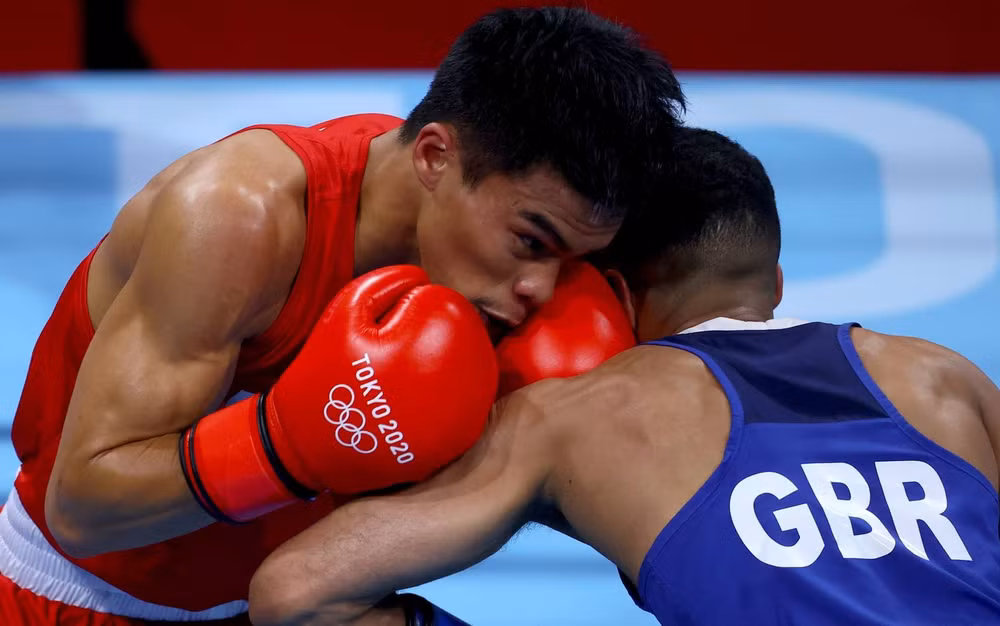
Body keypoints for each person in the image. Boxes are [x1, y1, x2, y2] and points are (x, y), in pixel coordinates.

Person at [0, 7, 685, 625]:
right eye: (532, 241)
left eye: (570, 260)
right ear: (435, 158)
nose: (540, 286)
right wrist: (282, 445)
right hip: (70, 601)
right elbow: (82, 510)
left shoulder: (487, 269)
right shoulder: (240, 218)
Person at [247, 127, 1000, 626]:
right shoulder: (944, 377)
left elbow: (295, 596)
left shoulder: (571, 416)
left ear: (607, 291)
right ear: (773, 280)